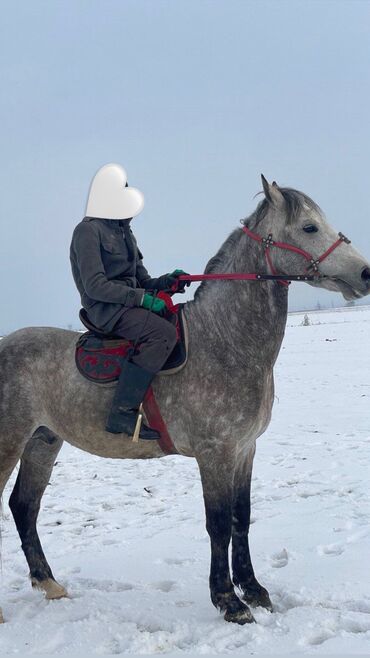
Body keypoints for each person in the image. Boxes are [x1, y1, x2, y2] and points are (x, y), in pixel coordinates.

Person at [70, 163, 189, 440]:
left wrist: (167, 283)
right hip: (106, 310)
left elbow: (142, 280)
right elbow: (95, 285)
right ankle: (121, 413)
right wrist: (143, 300)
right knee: (162, 334)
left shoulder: (125, 232)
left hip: (130, 305)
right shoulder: (87, 231)